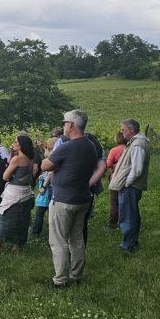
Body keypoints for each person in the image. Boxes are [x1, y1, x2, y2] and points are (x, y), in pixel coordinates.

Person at [41, 110, 101, 288]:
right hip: (83, 198)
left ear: (72, 125)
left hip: (64, 200)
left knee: (58, 241)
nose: (63, 126)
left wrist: (55, 162)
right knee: (76, 239)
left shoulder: (68, 146)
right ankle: (76, 275)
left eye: (64, 122)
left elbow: (46, 165)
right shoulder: (89, 145)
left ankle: (60, 280)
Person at [109, 118, 150, 253]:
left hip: (130, 186)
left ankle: (127, 245)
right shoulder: (135, 142)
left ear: (131, 130)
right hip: (131, 186)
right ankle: (132, 242)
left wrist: (126, 183)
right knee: (132, 214)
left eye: (123, 129)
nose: (122, 132)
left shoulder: (137, 144)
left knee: (127, 216)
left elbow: (137, 169)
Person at [0, 133, 35, 253]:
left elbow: (5, 176)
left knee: (3, 217)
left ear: (22, 145)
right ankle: (17, 244)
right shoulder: (30, 158)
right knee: (21, 218)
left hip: (14, 192)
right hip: (26, 191)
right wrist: (11, 152)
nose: (14, 143)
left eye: (16, 142)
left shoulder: (18, 159)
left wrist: (13, 157)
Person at [105, 131, 126, 229]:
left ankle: (112, 224)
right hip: (127, 177)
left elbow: (108, 164)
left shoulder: (114, 150)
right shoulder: (128, 148)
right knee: (125, 201)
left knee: (114, 201)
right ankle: (125, 222)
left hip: (116, 177)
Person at [31, 168, 51, 237]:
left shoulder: (51, 170)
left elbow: (49, 176)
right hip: (46, 196)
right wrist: (41, 176)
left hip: (46, 195)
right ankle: (51, 234)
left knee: (39, 214)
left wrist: (43, 187)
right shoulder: (47, 170)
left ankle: (36, 233)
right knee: (49, 215)